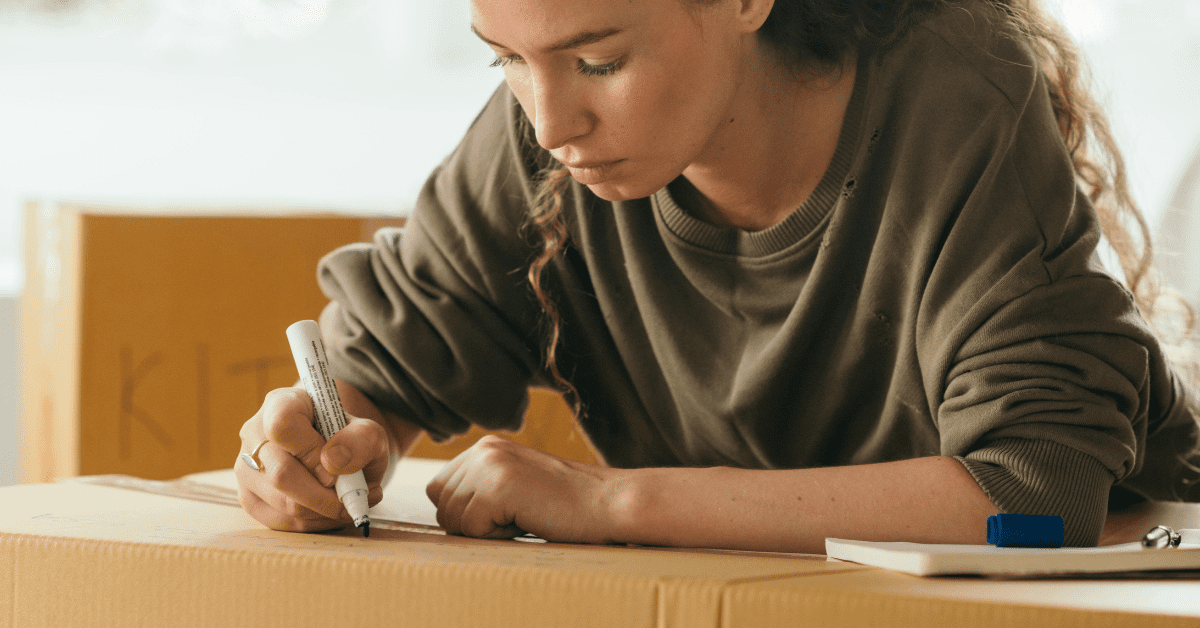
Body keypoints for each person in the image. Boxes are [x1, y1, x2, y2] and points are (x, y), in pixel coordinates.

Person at [235, 0, 1200, 553]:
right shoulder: (545, 144)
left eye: (599, 60)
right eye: (506, 64)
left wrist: (613, 503)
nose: (549, 123)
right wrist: (314, 451)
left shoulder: (955, 90)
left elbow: (1038, 491)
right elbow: (389, 364)